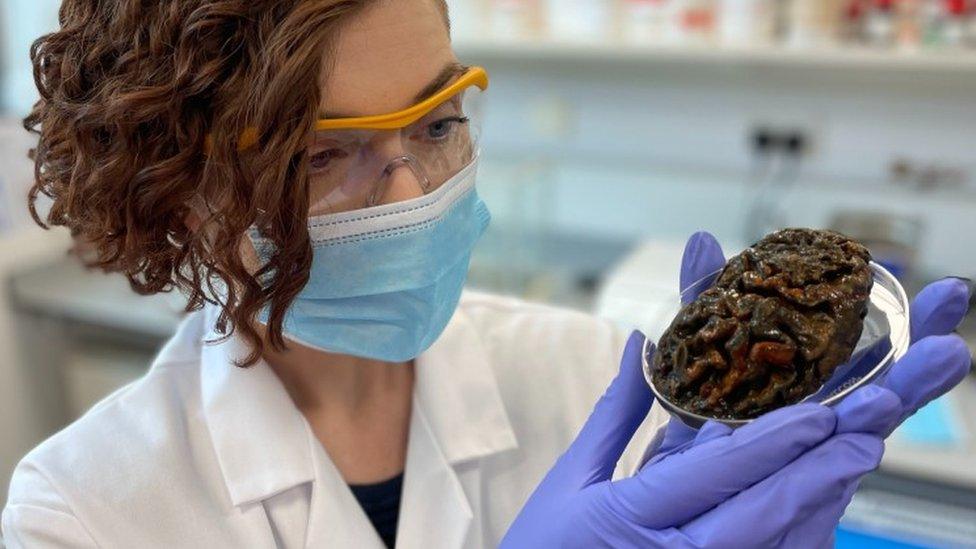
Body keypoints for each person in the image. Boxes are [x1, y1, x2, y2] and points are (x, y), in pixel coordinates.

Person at [2, 0, 971, 547]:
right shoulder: (82, 512)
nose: (414, 192)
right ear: (173, 190)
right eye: (315, 157)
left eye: (436, 123)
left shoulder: (606, 379)